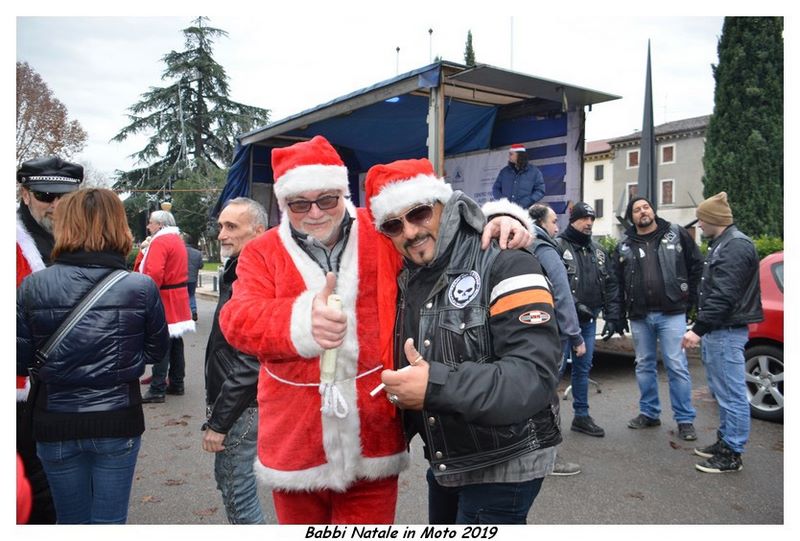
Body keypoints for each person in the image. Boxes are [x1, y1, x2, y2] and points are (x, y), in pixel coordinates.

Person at [218, 135, 532, 525]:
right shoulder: (262, 251)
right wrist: (299, 321)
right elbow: (236, 319)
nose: (315, 213)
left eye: (327, 199)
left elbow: (438, 226)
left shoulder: (382, 228)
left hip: (373, 431)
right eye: (300, 203)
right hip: (296, 438)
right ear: (284, 204)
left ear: (342, 193)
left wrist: (500, 219)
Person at [368, 158, 562, 525]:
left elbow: (533, 376)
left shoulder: (505, 258)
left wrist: (433, 387)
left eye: (419, 213)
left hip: (506, 460)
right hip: (449, 459)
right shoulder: (408, 275)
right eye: (394, 225)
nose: (410, 231)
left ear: (444, 205)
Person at [17, 188, 169, 523]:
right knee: (110, 521)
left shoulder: (33, 286)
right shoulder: (140, 287)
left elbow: (20, 358)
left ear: (65, 225)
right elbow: (157, 350)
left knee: (70, 520)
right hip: (118, 416)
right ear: (118, 225)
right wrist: (121, 361)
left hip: (54, 418)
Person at [16, 155, 83, 524]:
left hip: (70, 388)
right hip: (24, 390)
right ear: (25, 194)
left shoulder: (81, 240)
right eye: (45, 195)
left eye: (65, 197)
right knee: (37, 487)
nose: (56, 205)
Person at [682, 192, 762, 473]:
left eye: (701, 219)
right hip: (719, 331)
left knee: (731, 394)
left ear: (714, 219)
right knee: (723, 392)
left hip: (726, 331)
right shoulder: (723, 244)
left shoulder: (735, 246)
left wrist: (698, 330)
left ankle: (732, 453)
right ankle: (726, 441)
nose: (699, 225)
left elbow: (724, 295)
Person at [611, 196, 703, 440]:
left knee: (676, 365)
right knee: (644, 365)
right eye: (637, 210)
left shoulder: (676, 234)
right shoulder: (624, 245)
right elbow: (616, 282)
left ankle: (685, 420)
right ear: (631, 217)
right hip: (639, 315)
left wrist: (691, 301)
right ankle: (649, 413)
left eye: (646, 207)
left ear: (653, 211)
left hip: (672, 313)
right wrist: (617, 314)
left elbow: (696, 266)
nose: (643, 212)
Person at [202, 197, 268, 524]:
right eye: (220, 226)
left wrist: (220, 422)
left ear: (258, 231)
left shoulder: (253, 276)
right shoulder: (240, 268)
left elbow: (250, 361)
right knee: (233, 484)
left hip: (243, 405)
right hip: (241, 401)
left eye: (231, 226)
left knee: (236, 490)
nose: (221, 235)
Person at [555, 202, 623, 438]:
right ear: (573, 220)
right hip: (563, 320)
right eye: (584, 218)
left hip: (589, 319)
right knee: (555, 370)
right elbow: (554, 284)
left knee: (583, 369)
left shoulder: (599, 250)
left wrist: (612, 316)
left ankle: (581, 417)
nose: (589, 223)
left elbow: (611, 284)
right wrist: (576, 306)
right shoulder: (557, 246)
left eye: (592, 219)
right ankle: (545, 420)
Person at [528, 203, 585, 477]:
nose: (556, 227)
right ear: (541, 223)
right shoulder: (545, 249)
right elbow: (561, 293)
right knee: (547, 396)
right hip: (550, 334)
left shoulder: (517, 246)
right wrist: (575, 335)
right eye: (553, 221)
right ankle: (549, 457)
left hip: (525, 333)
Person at [140, 210, 195, 403]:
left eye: (151, 223)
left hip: (164, 296)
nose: (148, 226)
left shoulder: (161, 241)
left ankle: (157, 388)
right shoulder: (176, 239)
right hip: (177, 295)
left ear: (160, 225)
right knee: (176, 342)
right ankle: (177, 382)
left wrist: (147, 293)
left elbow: (155, 272)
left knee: (162, 342)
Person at [491, 143, 545, 209]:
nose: (509, 156)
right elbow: (495, 188)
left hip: (525, 211)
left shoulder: (535, 172)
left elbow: (540, 190)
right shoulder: (504, 172)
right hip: (506, 210)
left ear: (519, 155)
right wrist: (503, 201)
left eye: (511, 154)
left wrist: (527, 201)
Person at [185, 235, 204, 321]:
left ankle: (185, 314)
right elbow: (201, 265)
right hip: (193, 278)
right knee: (191, 295)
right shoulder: (197, 253)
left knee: (183, 296)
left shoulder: (180, 251)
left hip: (182, 278)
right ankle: (194, 310)